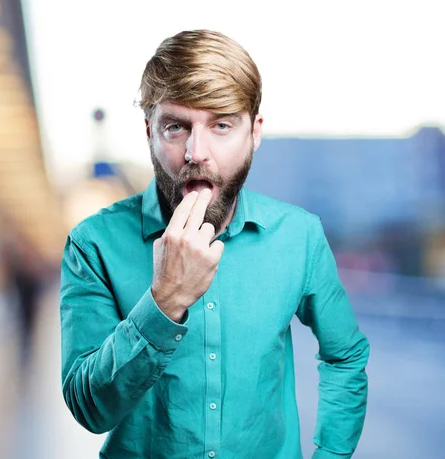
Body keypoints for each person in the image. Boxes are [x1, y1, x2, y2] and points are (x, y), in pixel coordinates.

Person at [60, 29, 369, 459]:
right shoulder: (92, 245)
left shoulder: (299, 236)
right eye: (175, 127)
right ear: (148, 130)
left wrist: (331, 453)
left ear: (254, 133)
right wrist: (163, 302)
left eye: (221, 125)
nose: (196, 152)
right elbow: (88, 408)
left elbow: (345, 355)